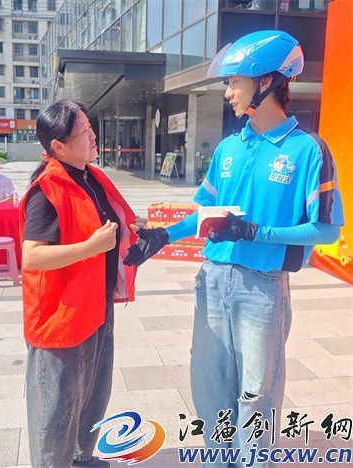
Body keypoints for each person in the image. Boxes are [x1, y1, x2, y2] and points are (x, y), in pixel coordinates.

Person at [124, 30, 343, 466]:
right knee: (209, 387)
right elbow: (207, 214)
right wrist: (164, 235)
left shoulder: (308, 150)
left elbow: (325, 231)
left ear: (267, 81)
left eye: (234, 82)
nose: (227, 93)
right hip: (212, 280)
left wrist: (256, 232)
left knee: (256, 394)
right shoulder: (228, 148)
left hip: (262, 288)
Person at [20, 100, 142, 468]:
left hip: (95, 306)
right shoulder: (47, 190)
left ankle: (80, 459)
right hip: (62, 317)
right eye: (84, 131)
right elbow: (32, 256)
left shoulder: (89, 177)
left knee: (92, 395)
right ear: (58, 146)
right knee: (56, 409)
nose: (93, 136)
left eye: (90, 127)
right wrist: (91, 247)